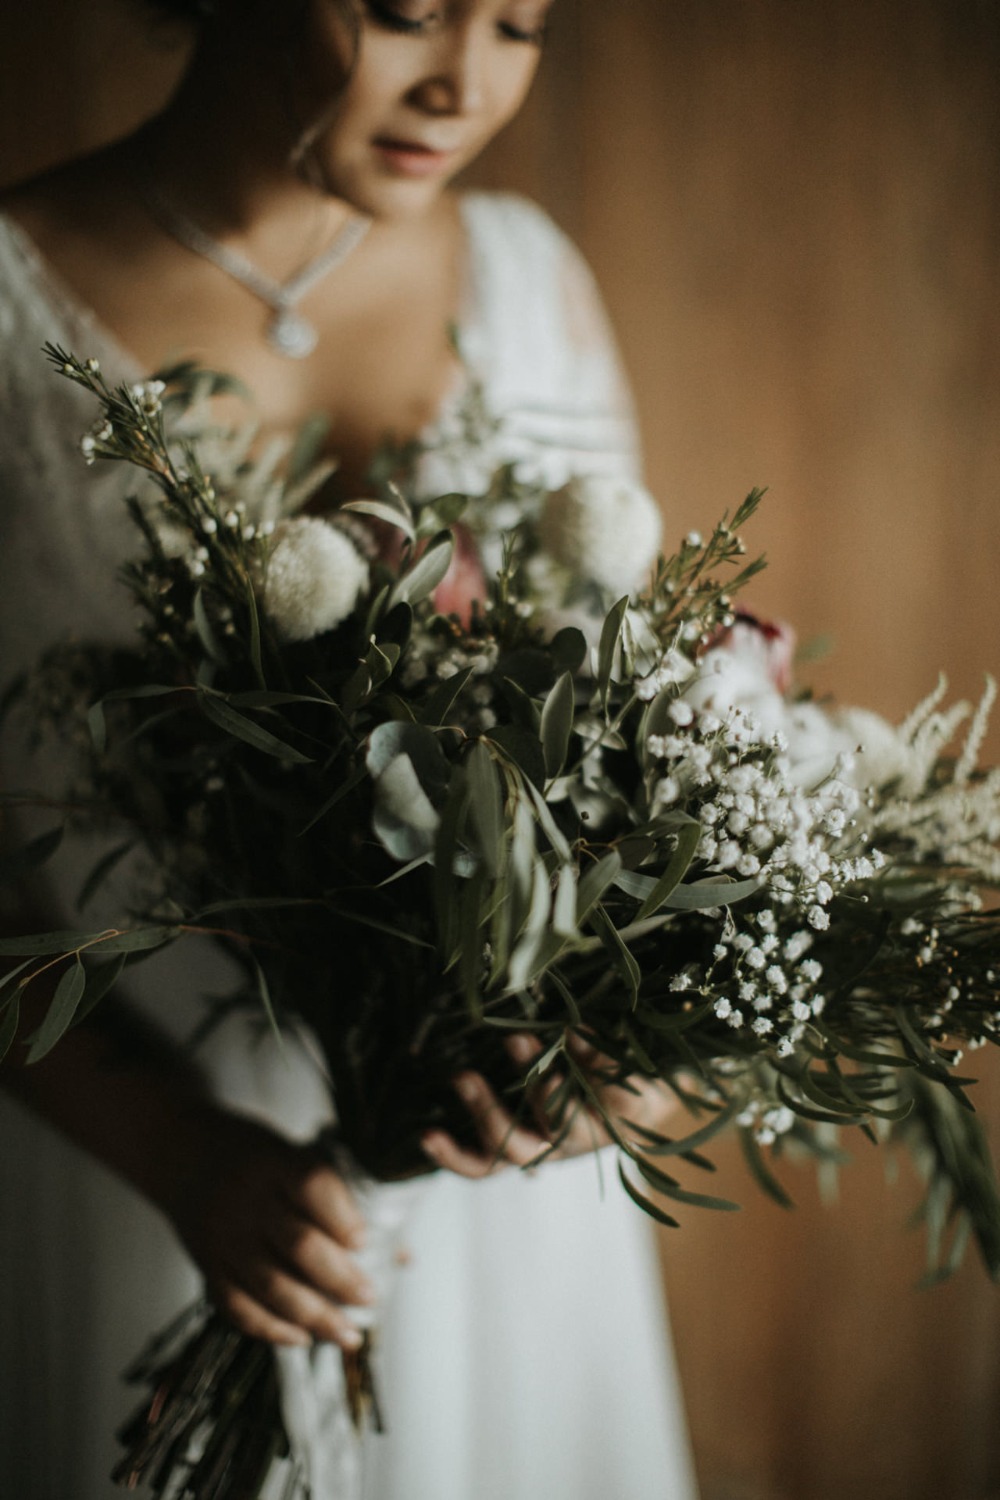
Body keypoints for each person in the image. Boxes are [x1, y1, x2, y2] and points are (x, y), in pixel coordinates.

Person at [0, 3, 700, 1496]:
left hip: (496, 1194)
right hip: (136, 1156)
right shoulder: (13, 297)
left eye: (521, 25)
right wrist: (183, 1157)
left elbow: (642, 737)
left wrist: (636, 1051)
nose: (466, 84)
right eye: (404, 10)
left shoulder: (530, 280)